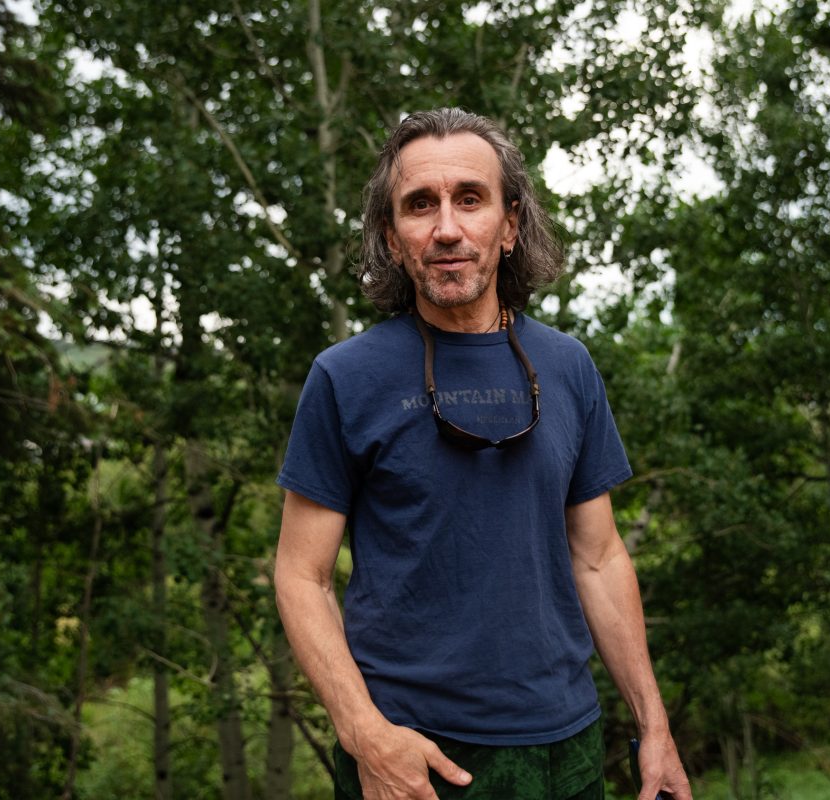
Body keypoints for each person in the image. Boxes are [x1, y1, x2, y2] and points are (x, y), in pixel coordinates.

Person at [275, 107, 691, 800]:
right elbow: (300, 575)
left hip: (570, 749)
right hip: (416, 760)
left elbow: (599, 556)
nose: (446, 228)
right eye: (419, 205)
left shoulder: (567, 367)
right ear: (391, 235)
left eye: (470, 199)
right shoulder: (346, 378)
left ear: (510, 225)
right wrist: (366, 735)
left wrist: (654, 727)